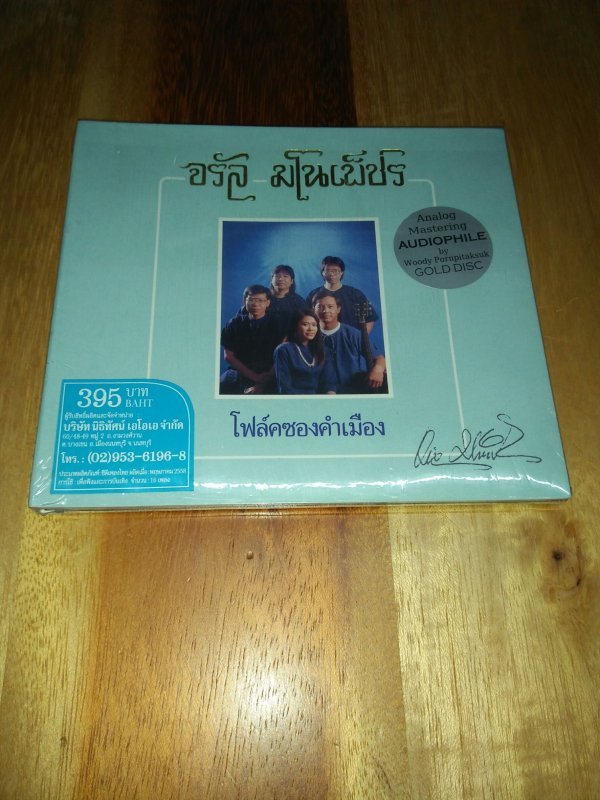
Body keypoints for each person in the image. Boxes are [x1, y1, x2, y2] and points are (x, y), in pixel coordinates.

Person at [313, 289, 386, 393]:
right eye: (320, 307)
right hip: (321, 390)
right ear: (313, 310)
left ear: (338, 309)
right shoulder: (309, 335)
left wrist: (378, 369)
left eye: (330, 306)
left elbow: (379, 358)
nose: (325, 311)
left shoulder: (353, 334)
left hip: (353, 388)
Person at [220, 285, 283, 394]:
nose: (255, 304)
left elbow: (281, 356)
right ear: (244, 301)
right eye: (251, 300)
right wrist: (254, 376)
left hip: (270, 372)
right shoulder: (234, 324)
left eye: (260, 300)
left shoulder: (278, 324)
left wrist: (264, 382)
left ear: (268, 303)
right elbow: (228, 356)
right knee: (223, 384)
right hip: (240, 370)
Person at [305, 255, 379, 334]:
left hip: (349, 339)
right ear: (322, 273)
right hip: (322, 338)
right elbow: (306, 319)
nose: (332, 274)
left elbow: (370, 319)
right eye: (328, 270)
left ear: (342, 273)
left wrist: (359, 338)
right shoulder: (314, 294)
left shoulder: (355, 294)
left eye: (335, 271)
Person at [274, 310, 336, 395]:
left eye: (314, 325)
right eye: (305, 324)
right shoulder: (283, 350)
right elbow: (285, 387)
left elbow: (329, 383)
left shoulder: (324, 351)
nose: (310, 329)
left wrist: (330, 396)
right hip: (294, 400)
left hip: (319, 400)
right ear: (295, 326)